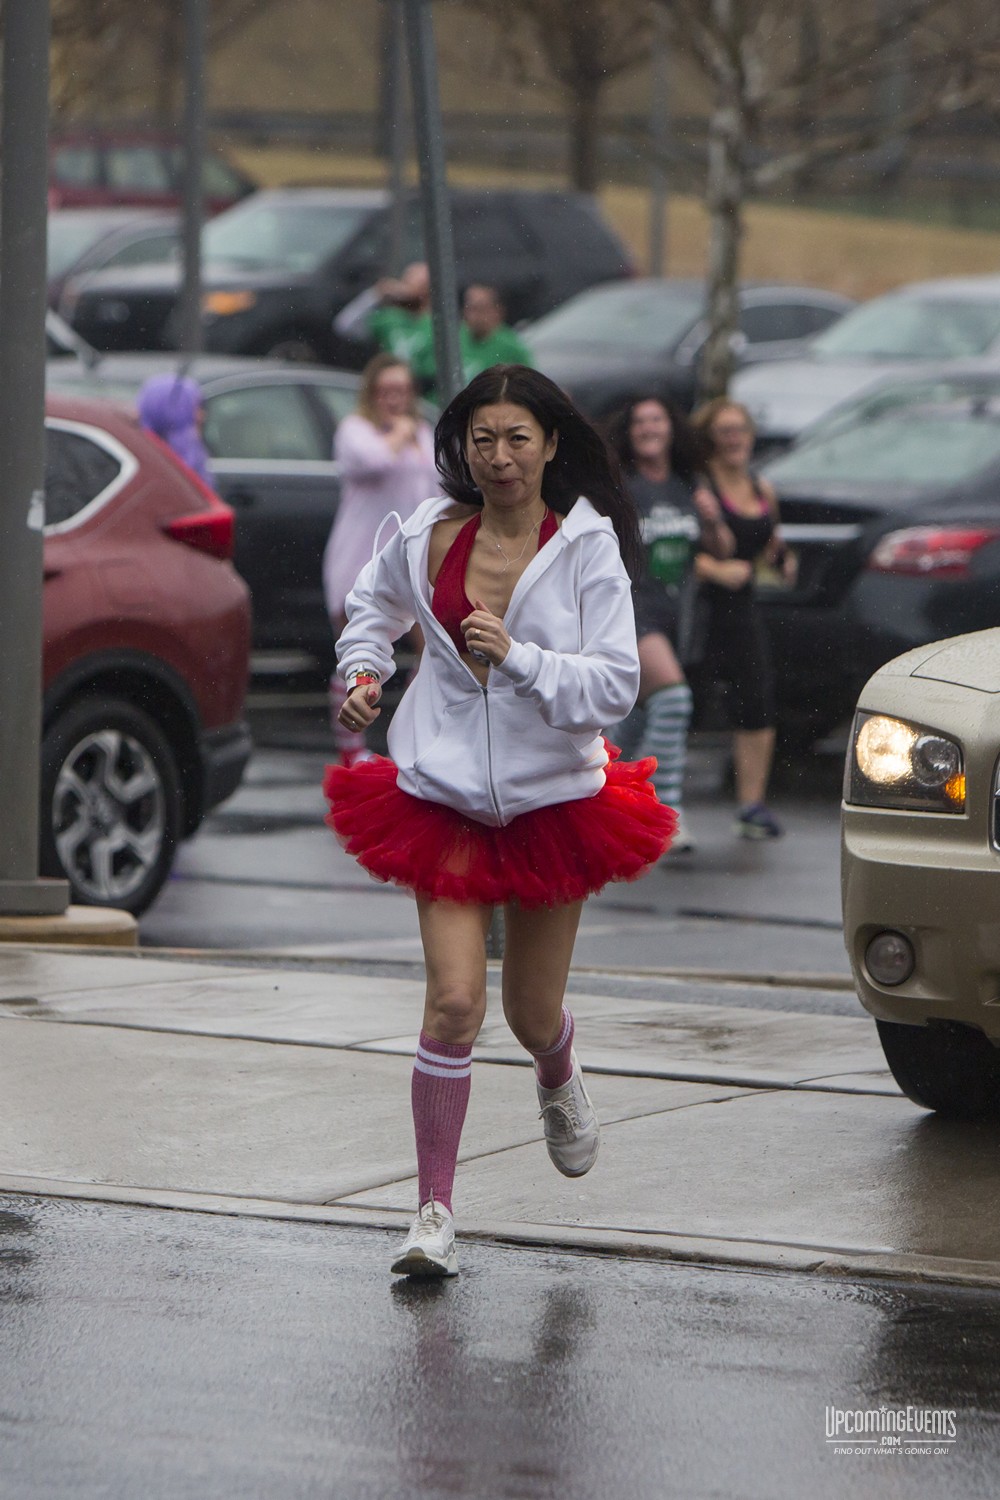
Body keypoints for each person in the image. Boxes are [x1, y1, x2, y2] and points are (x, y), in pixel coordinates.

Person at [324, 364, 675, 1278]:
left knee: (525, 1011)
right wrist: (364, 676)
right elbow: (370, 615)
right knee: (453, 1003)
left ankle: (558, 1072)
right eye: (483, 440)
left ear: (550, 445)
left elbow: (614, 685)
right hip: (439, 797)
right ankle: (432, 1211)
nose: (501, 456)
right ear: (462, 450)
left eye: (518, 438)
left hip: (556, 801)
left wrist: (519, 657)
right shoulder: (428, 536)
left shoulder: (587, 548)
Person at [605, 396, 734, 854]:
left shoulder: (686, 485)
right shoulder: (622, 487)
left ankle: (602, 789)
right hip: (630, 608)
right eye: (639, 421)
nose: (648, 428)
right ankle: (664, 813)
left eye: (656, 419)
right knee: (675, 697)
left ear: (671, 428)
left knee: (640, 714)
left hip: (675, 611)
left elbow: (721, 549)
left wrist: (712, 516)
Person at [322, 354, 437, 767]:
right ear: (372, 394)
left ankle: (412, 733)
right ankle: (352, 750)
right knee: (354, 652)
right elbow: (374, 461)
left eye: (402, 391)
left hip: (412, 559)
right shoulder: (355, 431)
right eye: (386, 391)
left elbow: (438, 490)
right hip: (359, 554)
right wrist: (398, 434)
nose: (394, 399)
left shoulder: (423, 434)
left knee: (432, 650)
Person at [689, 398, 796, 840]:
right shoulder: (699, 488)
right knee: (683, 702)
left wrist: (784, 561)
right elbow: (671, 551)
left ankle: (752, 805)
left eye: (741, 431)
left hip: (743, 609)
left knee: (756, 699)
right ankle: (654, 802)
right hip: (698, 610)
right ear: (709, 439)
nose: (734, 440)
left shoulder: (760, 488)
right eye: (724, 431)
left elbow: (771, 545)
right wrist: (715, 569)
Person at [333, 261, 435, 388]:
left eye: (422, 285)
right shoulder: (389, 319)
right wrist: (376, 294)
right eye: (408, 282)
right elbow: (345, 325)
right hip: (389, 389)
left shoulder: (437, 324)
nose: (413, 289)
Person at [136, 372, 213, 486]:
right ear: (169, 413)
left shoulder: (193, 455)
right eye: (194, 407)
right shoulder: (166, 468)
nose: (201, 416)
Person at [459, 284, 533, 383]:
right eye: (471, 308)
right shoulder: (454, 340)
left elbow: (529, 385)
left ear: (497, 311)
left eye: (481, 308)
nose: (475, 316)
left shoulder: (511, 347)